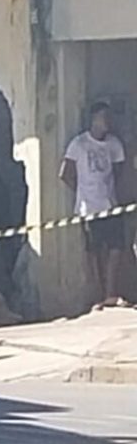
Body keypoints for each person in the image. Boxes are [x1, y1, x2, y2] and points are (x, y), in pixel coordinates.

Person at [60, 102, 128, 309]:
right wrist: (84, 193)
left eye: (108, 117)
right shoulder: (79, 144)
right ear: (93, 119)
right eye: (102, 117)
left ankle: (111, 292)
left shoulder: (114, 144)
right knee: (95, 252)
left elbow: (118, 172)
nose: (106, 121)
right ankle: (98, 295)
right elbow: (65, 174)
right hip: (89, 208)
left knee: (116, 247)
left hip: (111, 204)